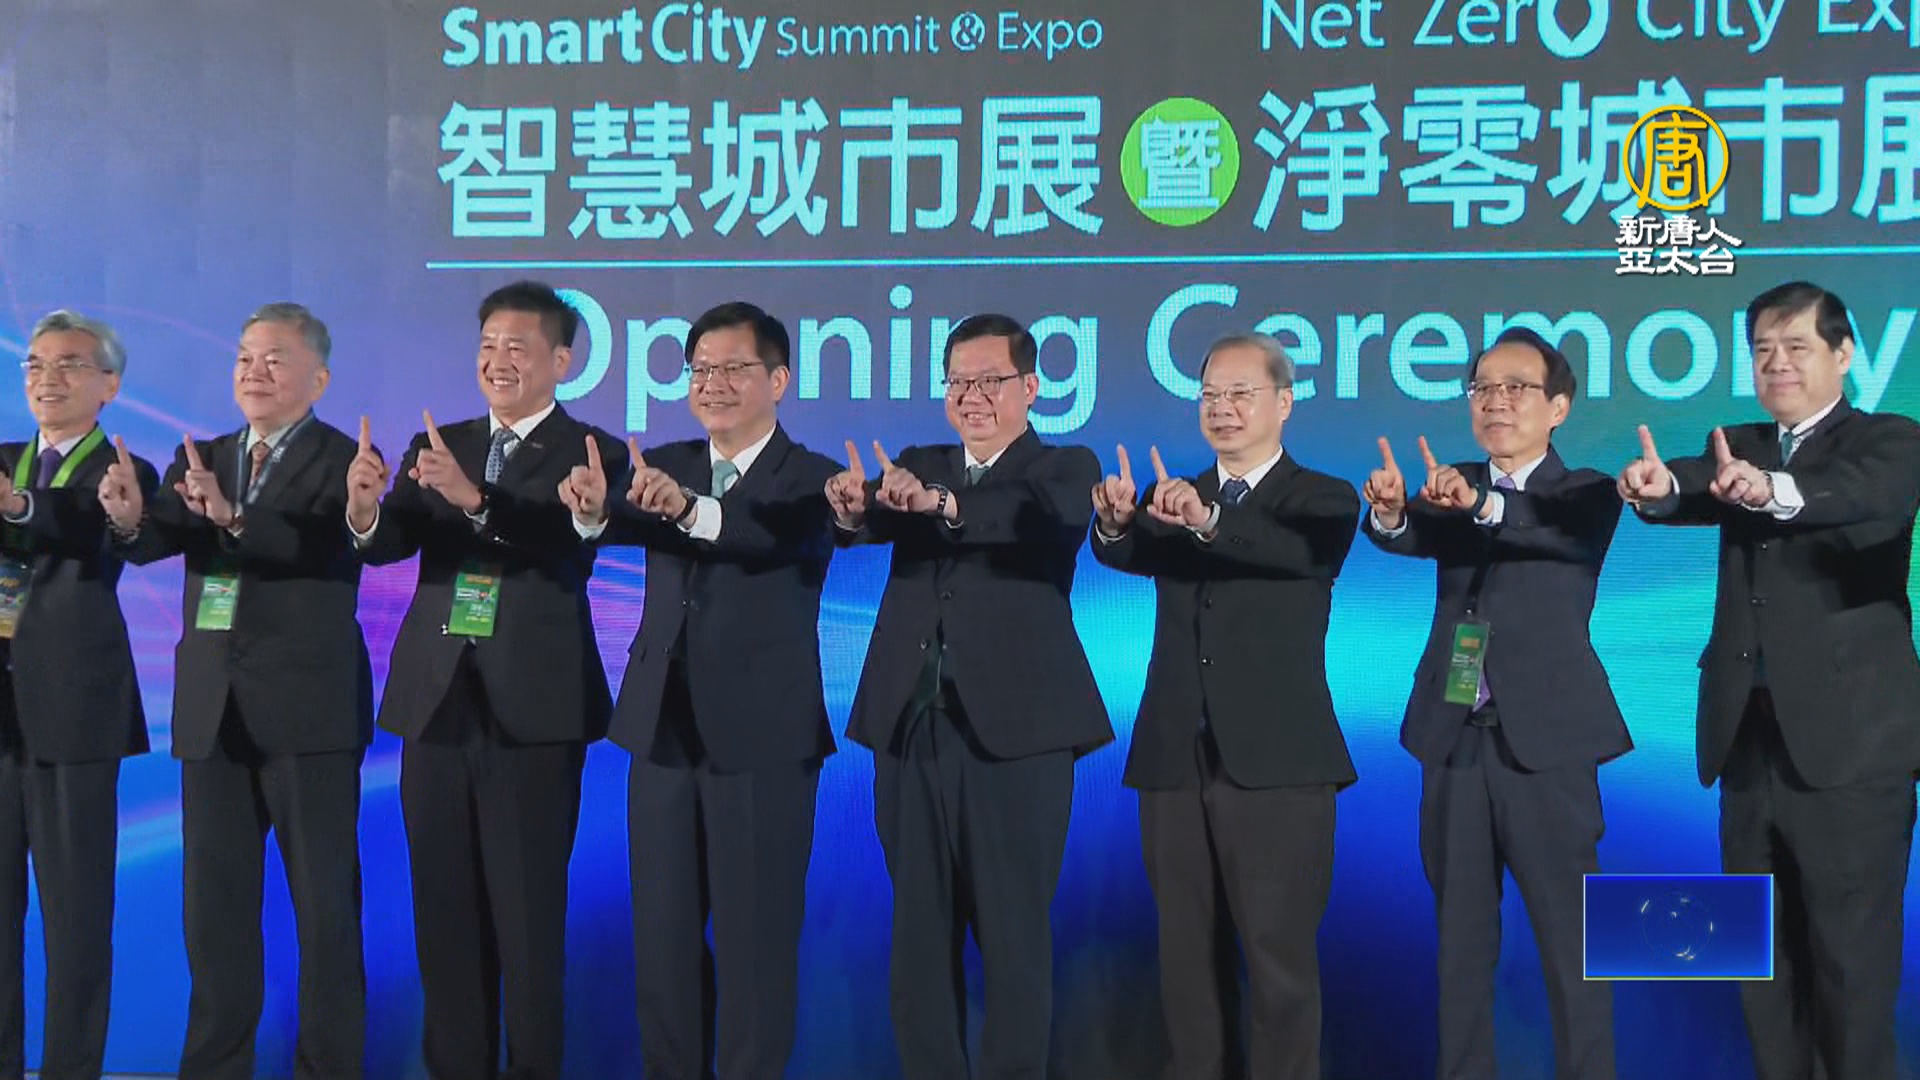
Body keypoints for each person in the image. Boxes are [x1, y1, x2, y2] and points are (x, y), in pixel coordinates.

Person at [1619, 281, 1920, 1080]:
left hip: (1852, 752)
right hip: (1747, 747)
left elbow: (1870, 498)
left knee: (1852, 969)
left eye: (1796, 347)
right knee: (1758, 961)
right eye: (1762, 350)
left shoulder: (1890, 440)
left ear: (1843, 354)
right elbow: (1693, 480)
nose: (1777, 363)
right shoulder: (1740, 442)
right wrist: (1657, 489)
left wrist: (1774, 489)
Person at [348, 280, 626, 1080]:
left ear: (561, 361)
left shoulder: (591, 452)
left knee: (528, 920)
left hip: (534, 710)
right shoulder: (444, 441)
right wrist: (364, 510)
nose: (498, 362)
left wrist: (474, 500)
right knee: (444, 916)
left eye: (517, 348)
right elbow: (394, 540)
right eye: (488, 347)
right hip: (437, 703)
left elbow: (561, 543)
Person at [826, 313, 1111, 1080]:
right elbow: (871, 518)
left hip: (1019, 738)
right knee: (918, 938)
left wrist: (943, 506)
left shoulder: (1063, 467)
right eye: (959, 382)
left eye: (990, 381)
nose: (972, 396)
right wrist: (851, 508)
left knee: (1015, 940)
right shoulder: (921, 461)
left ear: (1031, 386)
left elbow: (1032, 519)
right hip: (910, 725)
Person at [562, 301, 839, 1080]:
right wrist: (592, 512)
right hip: (660, 732)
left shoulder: (812, 477)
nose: (712, 382)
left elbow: (766, 536)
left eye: (733, 368)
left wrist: (688, 509)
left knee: (755, 948)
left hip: (763, 741)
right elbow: (619, 521)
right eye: (700, 369)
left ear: (778, 380)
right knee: (664, 946)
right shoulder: (664, 461)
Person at [102, 302, 372, 1080]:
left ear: (318, 378)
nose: (255, 371)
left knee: (325, 913)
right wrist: (129, 521)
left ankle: (328, 1068)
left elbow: (325, 548)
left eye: (275, 358)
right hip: (213, 712)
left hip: (309, 716)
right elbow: (159, 537)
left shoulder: (344, 459)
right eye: (246, 357)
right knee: (213, 913)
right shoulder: (208, 454)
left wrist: (236, 518)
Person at [1091, 333, 1360, 1080]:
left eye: (1241, 394)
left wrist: (1208, 521)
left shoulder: (1323, 498)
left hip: (1279, 768)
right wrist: (1117, 519)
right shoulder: (1174, 494)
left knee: (1280, 965)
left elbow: (1290, 552)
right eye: (1210, 395)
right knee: (1185, 960)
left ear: (1285, 402)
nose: (1222, 409)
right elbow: (1127, 550)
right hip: (1176, 758)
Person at [1363, 326, 1628, 1080]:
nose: (1496, 402)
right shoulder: (1451, 484)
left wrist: (1480, 503)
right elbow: (1409, 535)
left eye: (1516, 389)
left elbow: (1541, 531)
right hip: (1453, 738)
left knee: (1574, 947)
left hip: (1547, 747)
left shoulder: (1585, 493)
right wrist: (1391, 512)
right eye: (1483, 389)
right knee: (1460, 946)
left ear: (1558, 408)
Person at [0, 311, 156, 1080]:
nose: (47, 378)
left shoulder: (122, 469)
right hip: (2, 719)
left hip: (75, 712)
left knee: (76, 918)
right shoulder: (6, 459)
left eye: (68, 364)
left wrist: (16, 508)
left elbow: (87, 524)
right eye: (35, 364)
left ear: (109, 385)